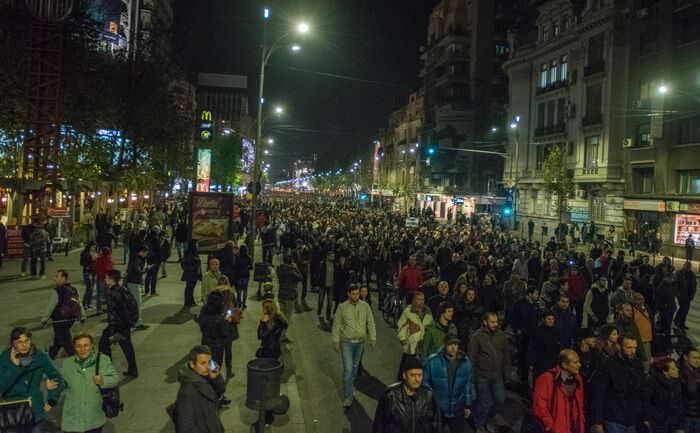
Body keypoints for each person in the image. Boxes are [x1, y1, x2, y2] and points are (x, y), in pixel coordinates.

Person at [0, 328, 63, 432]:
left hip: (35, 410)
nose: (24, 345)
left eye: (27, 340)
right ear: (13, 344)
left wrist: (52, 398)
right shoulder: (4, 359)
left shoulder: (40, 356)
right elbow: (2, 386)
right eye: (19, 342)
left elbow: (56, 377)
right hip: (13, 412)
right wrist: (14, 367)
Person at [60, 332, 119, 433]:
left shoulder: (103, 360)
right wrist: (53, 385)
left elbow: (115, 378)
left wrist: (103, 380)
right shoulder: (68, 363)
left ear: (92, 346)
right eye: (79, 346)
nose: (82, 349)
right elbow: (62, 383)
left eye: (86, 345)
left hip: (93, 418)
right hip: (73, 419)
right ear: (75, 347)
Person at [590, 334, 650, 433]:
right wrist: (597, 422)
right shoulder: (607, 366)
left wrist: (645, 416)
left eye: (635, 348)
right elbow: (598, 394)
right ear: (619, 346)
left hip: (632, 420)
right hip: (613, 419)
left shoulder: (637, 365)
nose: (633, 351)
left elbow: (643, 392)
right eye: (629, 348)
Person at [332, 285, 376, 408]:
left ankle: (350, 389)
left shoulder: (365, 306)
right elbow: (336, 325)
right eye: (354, 294)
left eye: (357, 294)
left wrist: (373, 338)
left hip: (360, 342)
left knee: (355, 368)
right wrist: (336, 341)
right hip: (346, 342)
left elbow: (370, 322)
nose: (356, 296)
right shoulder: (342, 308)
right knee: (348, 369)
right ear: (348, 294)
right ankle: (347, 397)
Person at [373, 356, 441, 433]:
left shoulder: (428, 395)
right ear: (404, 375)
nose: (417, 379)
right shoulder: (390, 395)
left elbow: (436, 424)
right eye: (413, 375)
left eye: (420, 375)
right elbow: (379, 425)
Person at [421, 334, 474, 433]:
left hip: (457, 408)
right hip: (438, 408)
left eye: (456, 344)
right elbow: (424, 383)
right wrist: (429, 403)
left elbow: (468, 385)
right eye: (450, 344)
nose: (454, 347)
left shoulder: (465, 362)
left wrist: (467, 404)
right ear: (444, 345)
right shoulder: (433, 361)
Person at [468, 313, 511, 432]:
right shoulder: (476, 337)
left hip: (497, 375)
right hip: (482, 375)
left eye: (496, 322)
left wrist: (507, 374)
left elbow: (507, 355)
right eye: (492, 322)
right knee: (485, 403)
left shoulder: (501, 336)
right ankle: (479, 424)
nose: (495, 324)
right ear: (485, 322)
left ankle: (488, 419)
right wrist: (471, 379)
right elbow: (471, 357)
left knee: (500, 400)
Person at [175, 345, 226, 433]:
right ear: (192, 364)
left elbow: (220, 391)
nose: (207, 367)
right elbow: (186, 426)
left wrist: (215, 378)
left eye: (209, 362)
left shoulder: (204, 375)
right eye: (203, 363)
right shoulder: (187, 391)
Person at [532, 349, 585, 433]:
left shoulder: (578, 379)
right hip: (557, 428)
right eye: (576, 362)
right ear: (565, 365)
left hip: (573, 427)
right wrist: (550, 425)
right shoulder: (547, 378)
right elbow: (539, 405)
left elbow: (580, 405)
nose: (579, 365)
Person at [98, 269, 138, 378]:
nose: (104, 280)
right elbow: (134, 306)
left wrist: (111, 332)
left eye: (106, 278)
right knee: (128, 347)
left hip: (118, 326)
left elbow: (112, 314)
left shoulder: (112, 293)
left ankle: (107, 369)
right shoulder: (124, 289)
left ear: (111, 280)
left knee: (103, 345)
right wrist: (131, 322)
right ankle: (133, 369)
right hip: (125, 325)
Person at [41, 269, 86, 359]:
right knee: (59, 339)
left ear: (64, 278)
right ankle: (50, 356)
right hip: (71, 319)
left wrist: (44, 319)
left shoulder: (57, 290)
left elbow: (51, 306)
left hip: (59, 320)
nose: (55, 278)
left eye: (57, 276)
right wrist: (83, 316)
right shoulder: (73, 289)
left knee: (67, 343)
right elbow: (79, 303)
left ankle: (79, 361)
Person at [396, 292, 433, 380]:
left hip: (423, 347)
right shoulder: (408, 311)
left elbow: (431, 327)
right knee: (405, 368)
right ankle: (400, 383)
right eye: (419, 299)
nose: (421, 302)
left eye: (423, 299)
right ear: (414, 300)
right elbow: (401, 327)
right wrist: (403, 340)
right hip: (411, 347)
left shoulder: (428, 311)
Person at [198, 291, 233, 371]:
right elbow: (224, 333)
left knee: (206, 367)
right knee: (213, 369)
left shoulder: (203, 312)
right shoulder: (219, 319)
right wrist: (227, 319)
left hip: (205, 343)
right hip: (216, 347)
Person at [648, 357, 684, 433]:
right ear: (665, 372)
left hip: (675, 424)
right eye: (673, 369)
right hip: (660, 425)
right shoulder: (654, 383)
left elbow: (679, 405)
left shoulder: (677, 383)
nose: (677, 370)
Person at [528, 310, 561, 379]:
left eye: (552, 319)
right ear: (543, 319)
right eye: (548, 319)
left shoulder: (555, 330)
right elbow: (532, 347)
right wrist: (532, 362)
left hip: (552, 361)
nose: (551, 321)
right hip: (540, 362)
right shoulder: (538, 332)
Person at [125, 245, 149, 330]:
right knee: (138, 304)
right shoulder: (137, 259)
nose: (146, 255)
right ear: (141, 252)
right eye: (145, 253)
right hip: (134, 283)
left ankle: (133, 321)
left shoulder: (135, 258)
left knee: (133, 304)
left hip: (131, 282)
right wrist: (146, 269)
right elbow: (138, 272)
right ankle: (137, 323)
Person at [277, 254, 302, 325]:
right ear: (291, 262)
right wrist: (295, 268)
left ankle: (279, 331)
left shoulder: (279, 269)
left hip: (281, 295)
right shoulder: (291, 272)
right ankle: (282, 334)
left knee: (281, 315)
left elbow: (281, 266)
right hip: (289, 296)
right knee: (286, 318)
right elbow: (300, 277)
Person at [680, 347, 700, 433]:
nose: (697, 361)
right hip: (690, 414)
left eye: (699, 358)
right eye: (694, 358)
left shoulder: (695, 371)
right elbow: (691, 392)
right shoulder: (684, 373)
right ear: (685, 357)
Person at [675, 261, 697, 331]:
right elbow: (676, 284)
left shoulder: (692, 274)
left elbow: (694, 284)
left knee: (685, 309)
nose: (688, 267)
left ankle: (679, 321)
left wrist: (692, 294)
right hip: (681, 295)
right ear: (683, 266)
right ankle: (679, 322)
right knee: (683, 308)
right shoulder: (679, 273)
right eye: (686, 266)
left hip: (689, 295)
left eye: (689, 266)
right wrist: (677, 293)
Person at [180, 241, 202, 308]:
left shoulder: (192, 253)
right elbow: (187, 265)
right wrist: (193, 266)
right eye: (197, 244)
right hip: (191, 274)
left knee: (190, 288)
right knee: (189, 288)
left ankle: (191, 301)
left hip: (192, 274)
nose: (198, 246)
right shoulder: (191, 254)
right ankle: (188, 302)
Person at [93, 247, 114, 315]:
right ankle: (109, 308)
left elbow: (95, 267)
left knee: (99, 295)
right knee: (108, 294)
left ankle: (99, 310)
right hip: (107, 278)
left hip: (100, 278)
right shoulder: (110, 259)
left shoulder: (100, 259)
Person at [318, 250, 336, 323]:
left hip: (331, 286)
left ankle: (328, 315)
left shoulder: (335, 264)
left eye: (333, 256)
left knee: (330, 302)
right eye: (331, 256)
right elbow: (318, 274)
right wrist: (317, 284)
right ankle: (319, 309)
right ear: (327, 256)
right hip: (323, 285)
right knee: (321, 300)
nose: (333, 257)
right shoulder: (322, 264)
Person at [80, 241, 98, 310]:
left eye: (95, 247)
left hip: (93, 272)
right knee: (89, 288)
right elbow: (82, 263)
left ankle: (89, 304)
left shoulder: (94, 252)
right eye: (93, 247)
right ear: (89, 246)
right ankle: (84, 304)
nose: (94, 248)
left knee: (92, 288)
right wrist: (91, 259)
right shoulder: (85, 253)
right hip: (87, 272)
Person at [234, 245, 253, 309]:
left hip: (239, 275)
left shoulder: (237, 257)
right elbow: (251, 267)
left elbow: (235, 266)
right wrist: (246, 268)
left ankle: (239, 302)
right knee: (245, 290)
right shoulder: (249, 258)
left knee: (239, 290)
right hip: (246, 275)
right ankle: (244, 303)